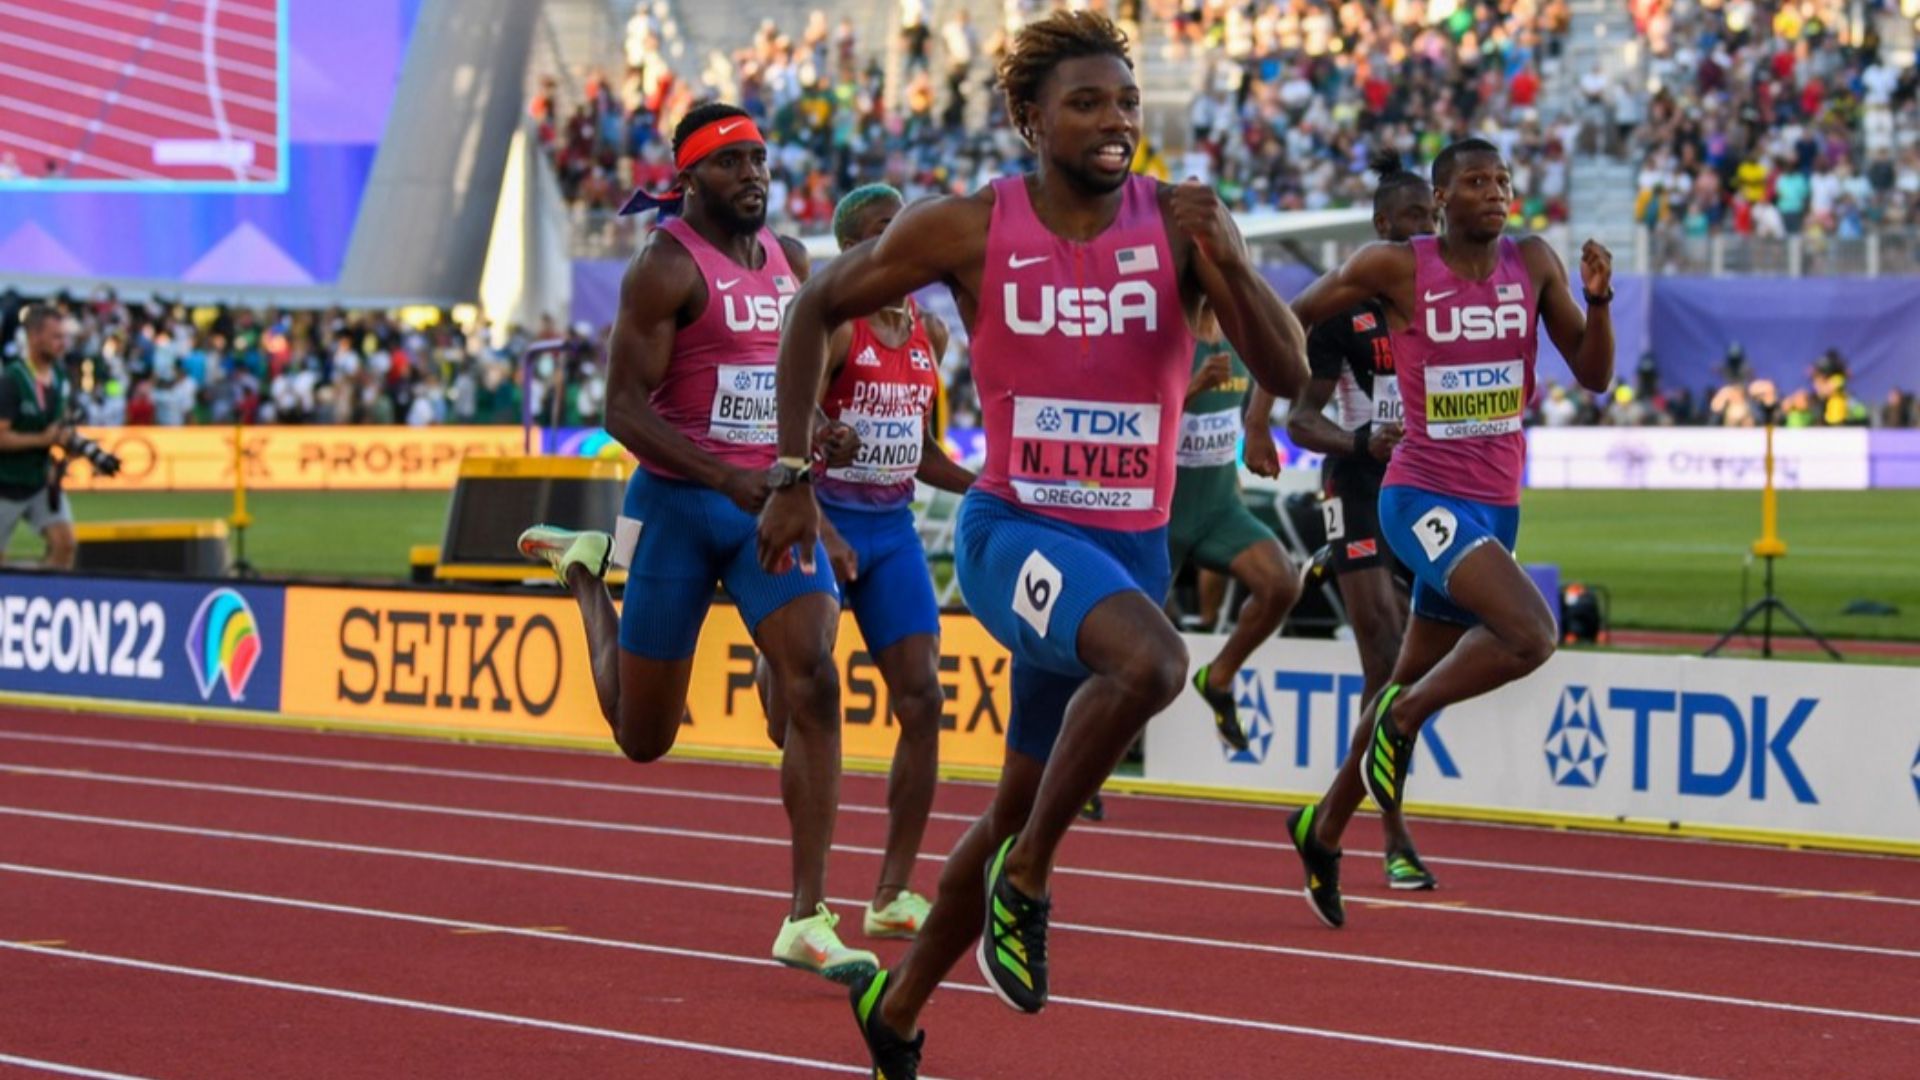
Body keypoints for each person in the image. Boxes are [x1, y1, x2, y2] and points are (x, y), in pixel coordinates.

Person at [757, 12, 1308, 1077]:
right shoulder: (969, 226)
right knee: (1154, 663)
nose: (1115, 123)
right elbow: (814, 305)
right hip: (1013, 530)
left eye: (1126, 103)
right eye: (1086, 104)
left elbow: (1285, 373)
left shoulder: (1184, 223)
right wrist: (789, 472)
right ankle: (1029, 878)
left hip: (1128, 553)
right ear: (1028, 120)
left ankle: (897, 1008)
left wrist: (1233, 264)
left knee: (1014, 801)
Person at [515, 102, 878, 984]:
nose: (753, 175)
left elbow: (789, 378)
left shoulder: (792, 261)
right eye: (731, 163)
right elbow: (620, 410)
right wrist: (721, 477)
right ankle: (585, 576)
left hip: (769, 505)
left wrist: (818, 432)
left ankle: (807, 916)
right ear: (689, 180)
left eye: (759, 159)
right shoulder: (665, 266)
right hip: (678, 507)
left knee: (815, 679)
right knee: (643, 737)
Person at [1281, 137, 1614, 929]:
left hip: (1496, 502)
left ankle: (1322, 828)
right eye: (1475, 181)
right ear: (1439, 200)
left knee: (1404, 676)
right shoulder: (1396, 267)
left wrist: (1598, 302)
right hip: (1419, 493)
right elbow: (1289, 320)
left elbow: (1596, 374)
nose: (1495, 192)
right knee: (1532, 634)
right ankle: (1403, 723)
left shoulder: (1533, 262)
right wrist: (1269, 411)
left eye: (1503, 180)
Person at [756, 184, 977, 941]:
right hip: (820, 522)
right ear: (855, 249)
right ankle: (773, 663)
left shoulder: (928, 332)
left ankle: (891, 893)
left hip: (893, 532)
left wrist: (987, 486)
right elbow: (787, 431)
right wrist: (821, 519)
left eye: (908, 228)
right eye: (886, 231)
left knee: (923, 700)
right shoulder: (836, 327)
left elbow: (919, 449)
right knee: (792, 710)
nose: (904, 242)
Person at [1248, 149, 1440, 897]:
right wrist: (1357, 442)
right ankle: (1392, 833)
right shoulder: (1343, 309)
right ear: (1381, 225)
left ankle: (1332, 818)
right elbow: (1302, 414)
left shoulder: (1445, 300)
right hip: (1358, 483)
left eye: (1433, 219)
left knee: (1416, 665)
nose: (1425, 231)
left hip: (1428, 489)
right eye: (1413, 219)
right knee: (1385, 659)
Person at [1169, 309, 1302, 752]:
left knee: (1282, 582)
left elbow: (1282, 362)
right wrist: (1193, 387)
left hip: (1219, 506)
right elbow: (1137, 417)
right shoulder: (1166, 331)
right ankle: (1090, 756)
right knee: (1132, 649)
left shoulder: (1241, 332)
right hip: (1162, 513)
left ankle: (1219, 677)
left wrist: (1256, 425)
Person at [0, 305, 78, 570]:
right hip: (4, 485)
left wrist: (69, 442)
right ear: (34, 337)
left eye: (63, 336)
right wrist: (42, 440)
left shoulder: (60, 378)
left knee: (65, 545)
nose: (62, 343)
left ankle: (38, 589)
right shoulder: (12, 380)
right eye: (56, 336)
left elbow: (59, 425)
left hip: (40, 483)